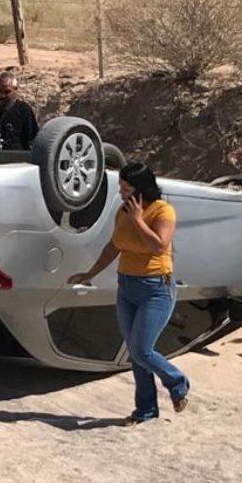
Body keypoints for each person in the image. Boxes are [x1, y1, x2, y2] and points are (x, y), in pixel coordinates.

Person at [68, 163, 190, 425]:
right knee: (135, 353)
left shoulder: (163, 211)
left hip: (156, 288)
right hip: (127, 288)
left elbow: (158, 245)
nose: (122, 193)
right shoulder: (122, 212)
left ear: (141, 189)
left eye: (126, 189)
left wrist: (137, 220)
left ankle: (177, 382)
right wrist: (88, 274)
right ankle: (146, 409)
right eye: (121, 188)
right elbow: (114, 247)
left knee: (142, 350)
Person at [0, 70, 39, 151]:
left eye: (7, 92)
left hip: (15, 158)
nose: (2, 95)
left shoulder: (24, 110)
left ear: (15, 90)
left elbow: (32, 138)